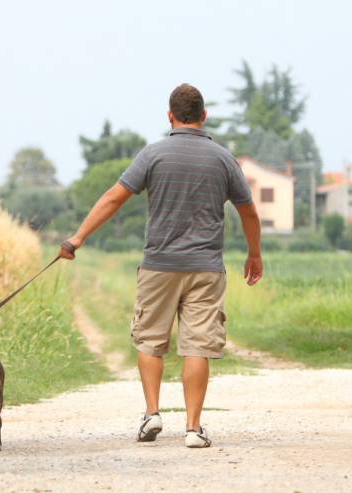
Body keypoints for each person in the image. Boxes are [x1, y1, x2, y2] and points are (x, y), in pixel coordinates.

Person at [58, 83, 262, 448]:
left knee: (150, 339)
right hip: (205, 267)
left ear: (170, 116)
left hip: (159, 265)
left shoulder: (153, 155)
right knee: (197, 345)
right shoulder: (222, 158)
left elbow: (113, 198)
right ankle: (193, 429)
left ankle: (152, 414)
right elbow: (248, 210)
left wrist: (78, 238)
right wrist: (254, 254)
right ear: (203, 115)